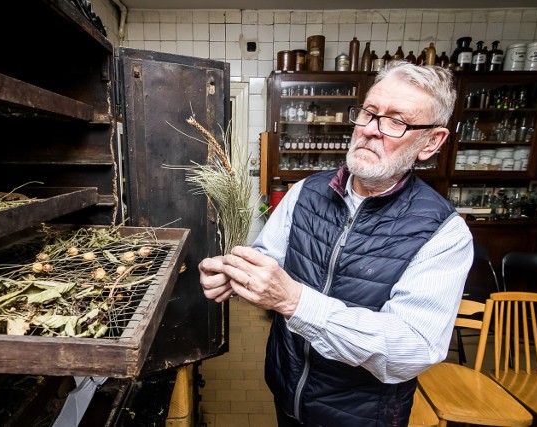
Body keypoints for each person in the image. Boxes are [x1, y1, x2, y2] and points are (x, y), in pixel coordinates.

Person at [198, 61, 473, 426]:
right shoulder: (306, 192)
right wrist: (234, 276)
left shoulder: (443, 233)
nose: (371, 131)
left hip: (361, 415)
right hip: (286, 391)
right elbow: (268, 258)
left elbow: (412, 347)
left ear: (431, 142)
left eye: (396, 121)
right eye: (369, 113)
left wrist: (295, 301)